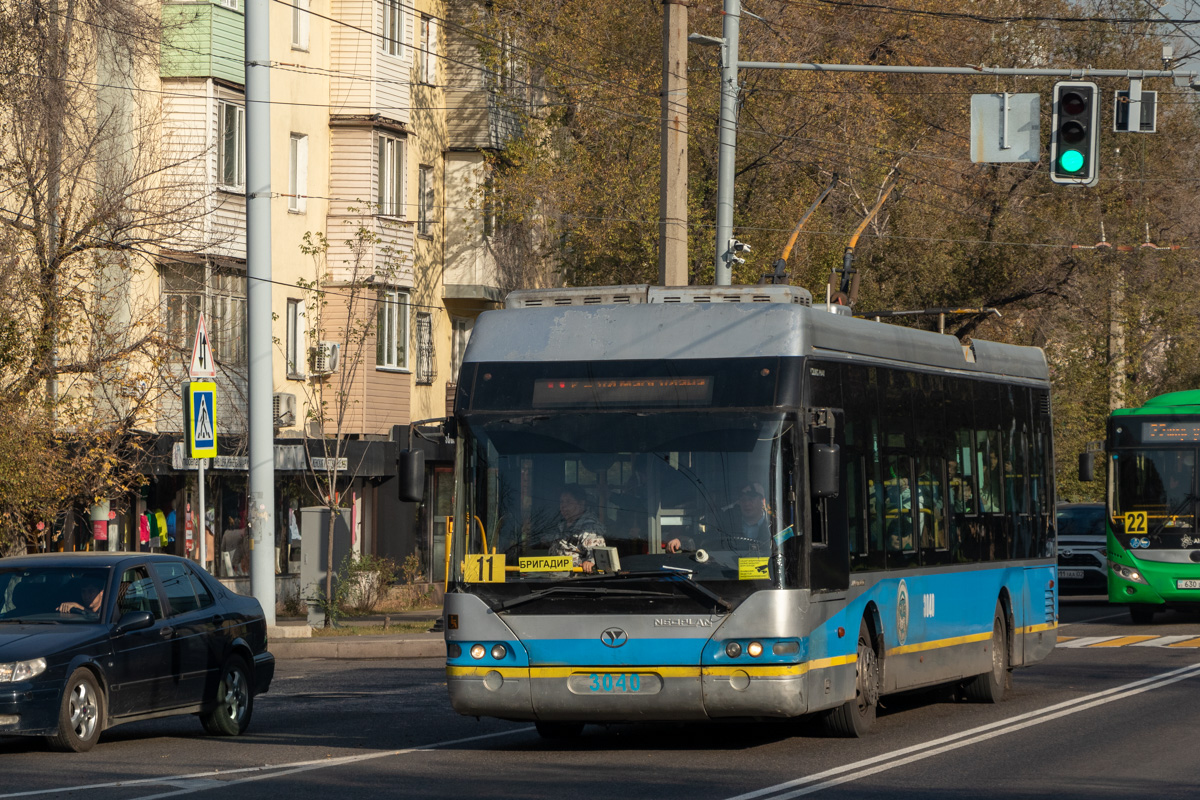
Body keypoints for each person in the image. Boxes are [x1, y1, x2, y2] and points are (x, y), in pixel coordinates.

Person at [665, 481, 772, 554]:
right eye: (743, 500)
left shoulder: (774, 526)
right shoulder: (729, 524)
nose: (747, 504)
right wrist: (682, 541)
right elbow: (708, 538)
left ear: (762, 502)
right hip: (733, 573)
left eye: (751, 499)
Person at [548, 485, 606, 574]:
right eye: (561, 502)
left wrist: (590, 563)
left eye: (568, 502)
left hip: (577, 579)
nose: (563, 506)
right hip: (554, 577)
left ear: (581, 504)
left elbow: (597, 555)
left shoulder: (590, 527)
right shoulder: (560, 526)